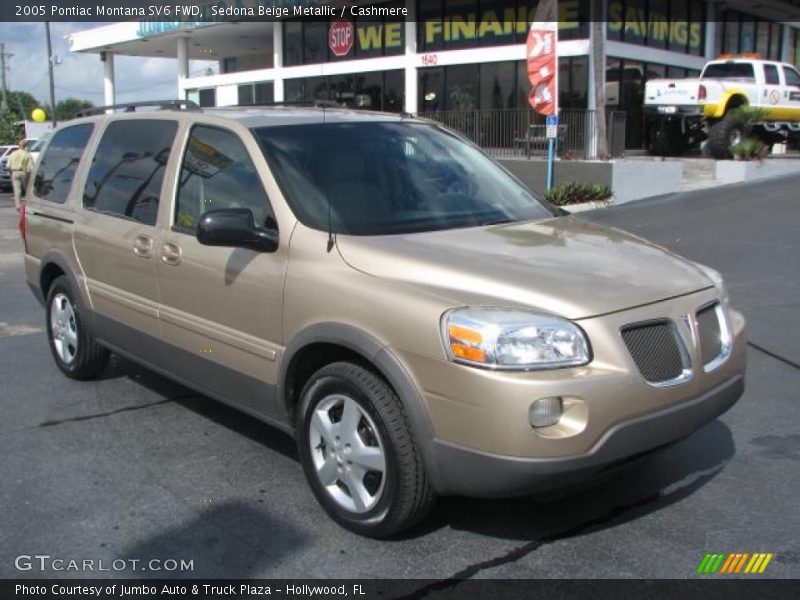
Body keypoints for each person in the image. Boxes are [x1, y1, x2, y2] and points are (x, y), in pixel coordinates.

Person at [7, 139, 33, 211]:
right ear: (25, 146)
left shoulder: (13, 154)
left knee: (17, 189)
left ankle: (18, 205)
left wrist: (10, 173)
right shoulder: (27, 154)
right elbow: (30, 167)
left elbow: (8, 166)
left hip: (14, 172)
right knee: (27, 189)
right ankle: (29, 203)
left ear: (18, 145)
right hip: (24, 172)